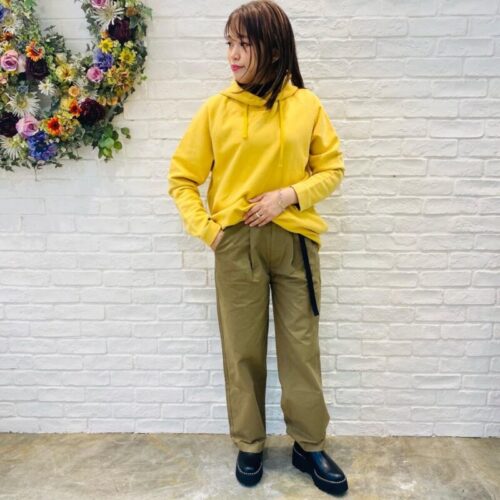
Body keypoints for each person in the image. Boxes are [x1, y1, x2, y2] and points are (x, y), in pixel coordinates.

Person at [168, 0, 348, 495]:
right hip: (236, 245)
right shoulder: (216, 109)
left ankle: (309, 444)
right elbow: (182, 178)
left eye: (243, 43)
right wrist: (210, 232)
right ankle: (249, 443)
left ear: (273, 46)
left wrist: (289, 195)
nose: (233, 54)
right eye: (229, 43)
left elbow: (332, 169)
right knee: (242, 351)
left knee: (301, 350)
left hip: (295, 244)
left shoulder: (306, 106)